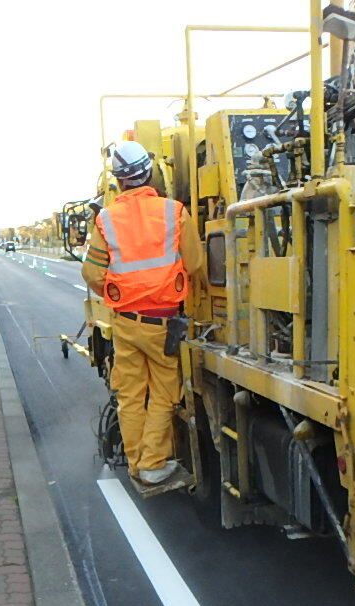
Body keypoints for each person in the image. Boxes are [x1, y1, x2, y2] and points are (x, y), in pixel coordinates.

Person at [81, 140, 206, 485]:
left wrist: (118, 294)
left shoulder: (105, 219)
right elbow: (194, 263)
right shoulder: (174, 212)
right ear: (149, 174)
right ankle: (151, 465)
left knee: (130, 395)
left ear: (119, 180)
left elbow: (92, 273)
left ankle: (137, 464)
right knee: (165, 393)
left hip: (125, 322)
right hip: (163, 322)